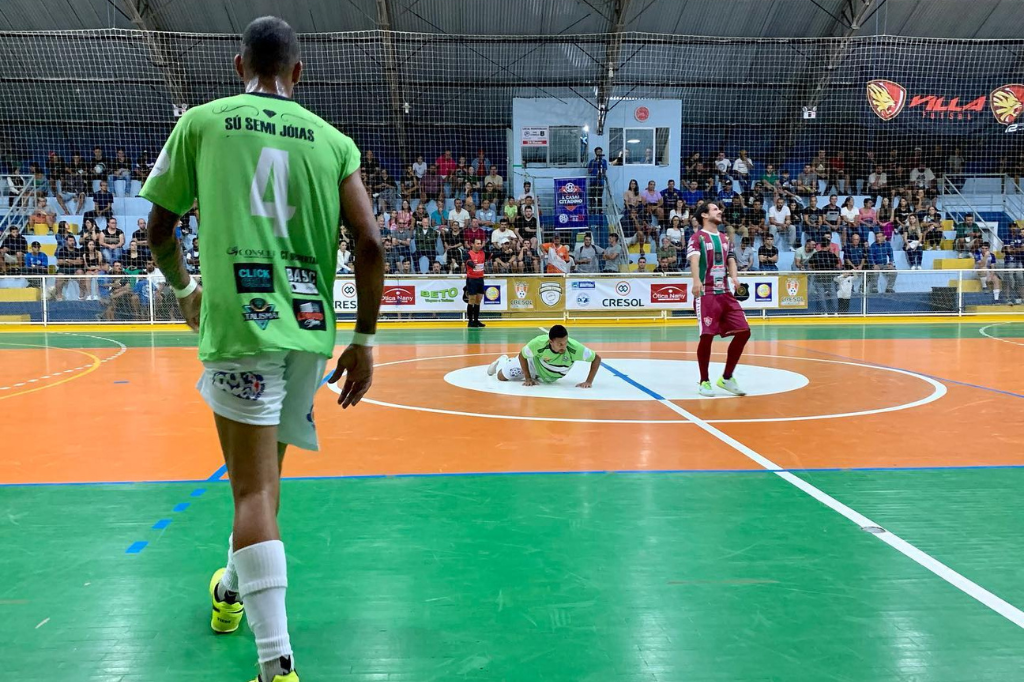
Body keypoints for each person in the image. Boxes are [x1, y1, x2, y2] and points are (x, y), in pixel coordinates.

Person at [139, 17, 384, 682]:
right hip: (308, 333)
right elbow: (370, 244)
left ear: (237, 64)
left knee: (250, 492)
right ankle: (228, 592)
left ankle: (276, 663)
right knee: (267, 490)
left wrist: (186, 289)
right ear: (297, 74)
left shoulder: (203, 122)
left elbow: (158, 227)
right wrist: (363, 342)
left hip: (241, 328)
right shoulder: (333, 142)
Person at [687, 202, 751, 397]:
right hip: (706, 293)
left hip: (725, 293)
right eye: (715, 209)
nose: (720, 212)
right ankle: (704, 381)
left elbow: (730, 258)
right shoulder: (697, 237)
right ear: (705, 215)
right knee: (706, 336)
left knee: (744, 332)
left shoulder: (724, 237)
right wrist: (696, 281)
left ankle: (727, 377)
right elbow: (695, 259)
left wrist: (734, 276)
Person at [487, 324, 601, 388]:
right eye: (560, 344)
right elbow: (522, 355)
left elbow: (596, 358)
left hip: (549, 376)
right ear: (550, 341)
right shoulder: (539, 343)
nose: (564, 346)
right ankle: (504, 360)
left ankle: (536, 375)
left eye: (565, 342)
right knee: (501, 377)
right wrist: (527, 378)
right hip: (533, 365)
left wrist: (588, 381)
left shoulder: (574, 348)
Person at [465, 237, 487, 327]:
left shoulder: (483, 253)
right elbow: (468, 262)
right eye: (477, 243)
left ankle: (476, 320)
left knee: (478, 300)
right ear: (472, 244)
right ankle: (470, 321)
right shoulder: (468, 254)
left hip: (480, 279)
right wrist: (473, 265)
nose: (479, 245)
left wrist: (505, 252)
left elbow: (494, 255)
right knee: (472, 300)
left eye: (480, 243)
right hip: (472, 279)